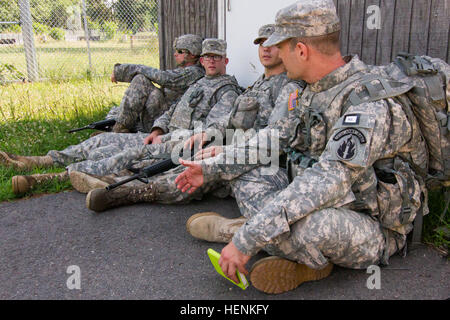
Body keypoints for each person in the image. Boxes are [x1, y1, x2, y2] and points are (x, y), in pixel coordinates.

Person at [174, 0, 429, 294]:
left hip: (369, 223)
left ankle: (241, 232)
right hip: (323, 198)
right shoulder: (312, 89)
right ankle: (287, 247)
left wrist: (248, 240)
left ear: (301, 50)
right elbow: (273, 138)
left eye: (281, 48)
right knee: (246, 175)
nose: (276, 55)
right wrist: (212, 168)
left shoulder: (367, 104)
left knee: (310, 228)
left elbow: (328, 180)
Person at [74, 24, 305, 214]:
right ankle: (109, 175)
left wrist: (227, 148)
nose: (266, 49)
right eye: (261, 43)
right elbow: (230, 117)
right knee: (169, 155)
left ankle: (129, 192)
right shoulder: (259, 82)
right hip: (227, 142)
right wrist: (208, 132)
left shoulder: (288, 86)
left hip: (249, 153)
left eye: (273, 44)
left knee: (193, 170)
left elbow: (276, 136)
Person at [0, 39, 241, 197]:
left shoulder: (226, 90)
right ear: (201, 60)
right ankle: (42, 160)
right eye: (208, 56)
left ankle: (49, 178)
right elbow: (172, 110)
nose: (211, 60)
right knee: (101, 142)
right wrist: (157, 131)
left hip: (180, 143)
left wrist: (168, 139)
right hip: (161, 135)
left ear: (225, 61)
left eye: (216, 57)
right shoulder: (198, 82)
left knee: (124, 155)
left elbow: (212, 129)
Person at [109, 34, 205, 133]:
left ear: (193, 54)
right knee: (142, 81)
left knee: (140, 81)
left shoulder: (195, 72)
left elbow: (164, 78)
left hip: (167, 122)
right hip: (162, 116)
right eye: (176, 51)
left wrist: (122, 71)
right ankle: (121, 127)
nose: (175, 54)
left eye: (180, 51)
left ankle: (119, 129)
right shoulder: (186, 70)